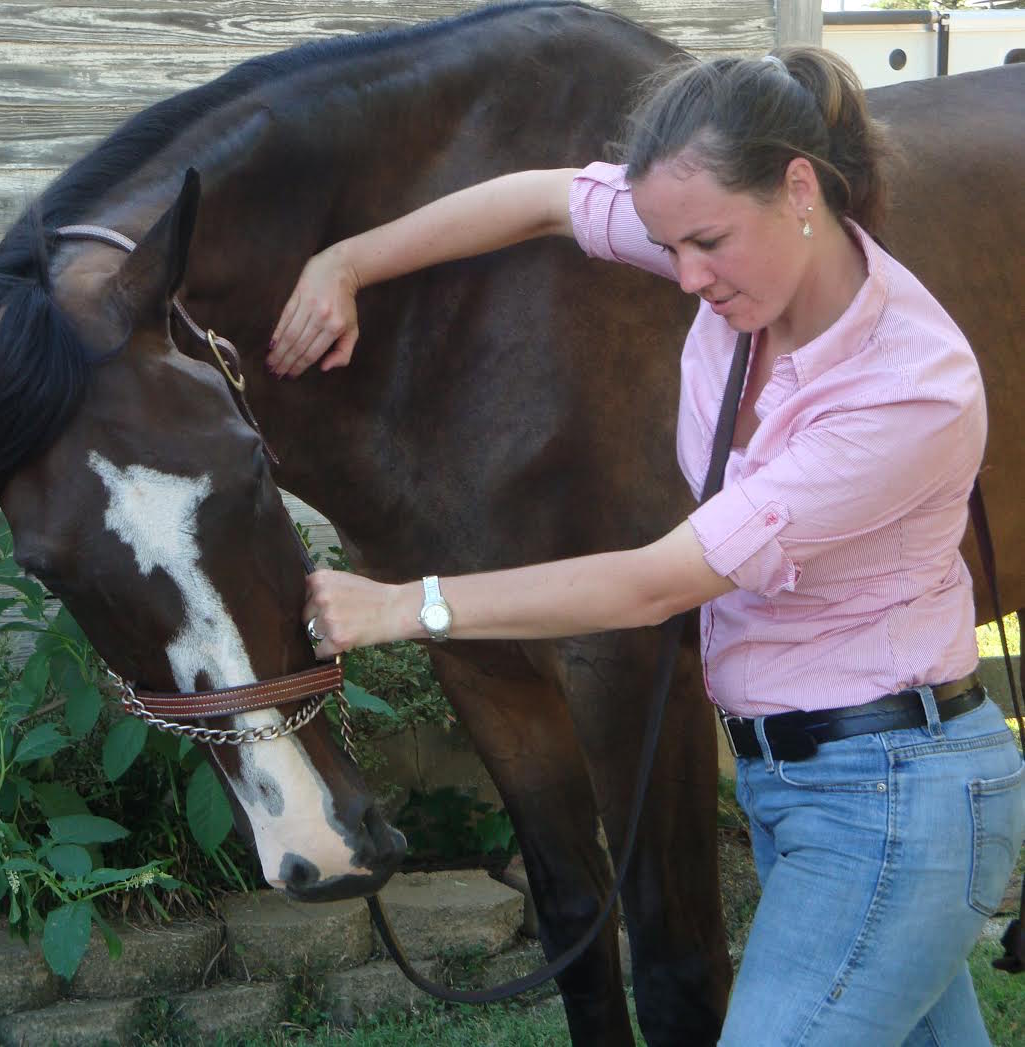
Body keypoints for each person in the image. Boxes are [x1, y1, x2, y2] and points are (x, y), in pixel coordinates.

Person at [265, 47, 1025, 1045]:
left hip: (893, 799)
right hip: (797, 783)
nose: (687, 276)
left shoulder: (901, 389)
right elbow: (539, 200)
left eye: (706, 244)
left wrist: (407, 605)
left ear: (799, 188)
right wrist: (348, 260)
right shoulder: (734, 246)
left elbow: (653, 583)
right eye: (669, 248)